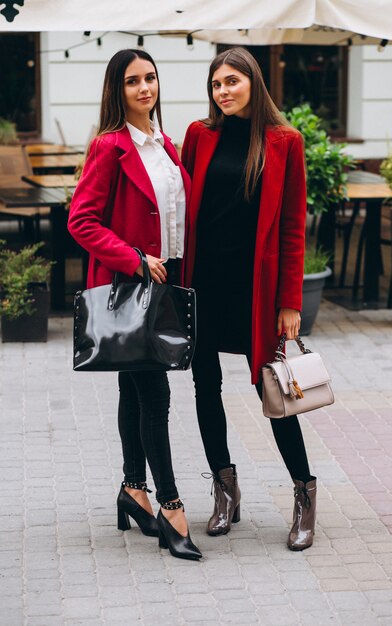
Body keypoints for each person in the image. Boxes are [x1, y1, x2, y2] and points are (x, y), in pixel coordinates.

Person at [68, 49, 201, 561]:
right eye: (132, 81)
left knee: (134, 387)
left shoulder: (167, 145)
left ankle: (131, 488)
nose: (145, 87)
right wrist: (134, 258)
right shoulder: (110, 146)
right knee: (156, 395)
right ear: (116, 90)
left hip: (165, 289)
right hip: (134, 286)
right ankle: (170, 505)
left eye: (150, 77)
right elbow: (82, 220)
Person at [181, 47, 316, 551]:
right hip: (205, 285)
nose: (224, 91)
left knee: (274, 393)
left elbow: (292, 229)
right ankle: (225, 489)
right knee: (204, 386)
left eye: (232, 81)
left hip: (255, 289)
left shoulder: (285, 141)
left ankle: (304, 494)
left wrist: (290, 300)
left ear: (253, 84)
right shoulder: (200, 135)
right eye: (217, 84)